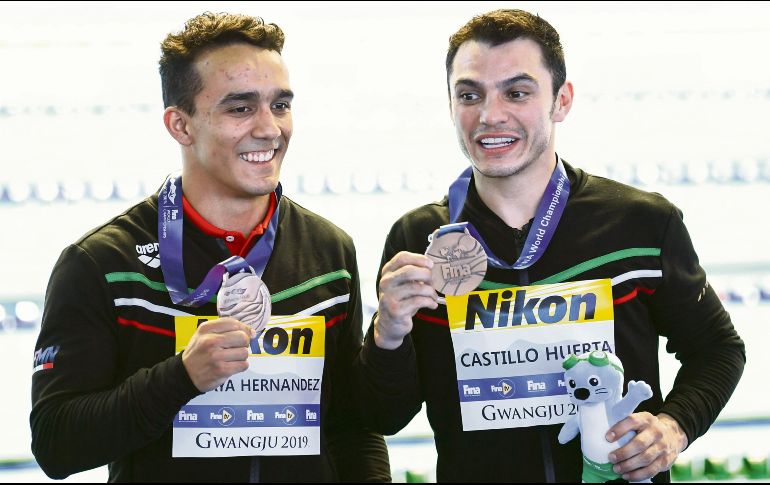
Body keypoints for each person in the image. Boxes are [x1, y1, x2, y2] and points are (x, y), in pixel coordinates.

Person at [358, 8, 745, 483]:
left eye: (516, 92)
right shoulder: (419, 241)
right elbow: (384, 417)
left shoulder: (640, 224)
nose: (490, 114)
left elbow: (718, 350)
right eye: (469, 94)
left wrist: (673, 426)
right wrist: (388, 333)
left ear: (561, 101)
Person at [30, 12, 389, 482]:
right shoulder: (104, 263)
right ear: (180, 125)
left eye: (279, 105)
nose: (269, 128)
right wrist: (181, 377)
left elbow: (351, 427)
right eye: (240, 108)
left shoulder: (328, 253)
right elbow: (56, 444)